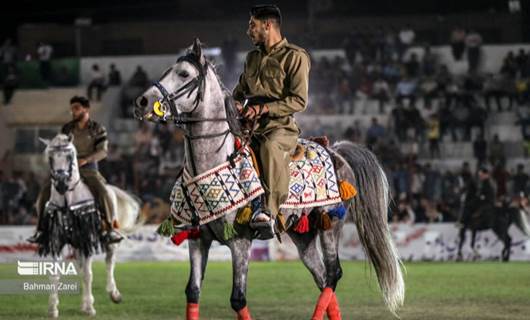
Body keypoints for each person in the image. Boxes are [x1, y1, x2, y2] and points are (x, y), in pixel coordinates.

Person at [233, 5, 310, 239]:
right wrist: (235, 104)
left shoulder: (295, 56)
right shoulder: (251, 58)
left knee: (269, 147)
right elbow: (239, 92)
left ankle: (270, 211)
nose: (248, 31)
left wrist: (264, 108)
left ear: (268, 25)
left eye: (252, 25)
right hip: (250, 126)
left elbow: (299, 100)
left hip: (281, 127)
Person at [28, 96, 122, 244]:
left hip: (89, 169)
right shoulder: (66, 128)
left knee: (103, 191)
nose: (73, 111)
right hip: (66, 170)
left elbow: (103, 151)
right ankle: (40, 230)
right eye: (72, 108)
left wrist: (86, 159)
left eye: (76, 108)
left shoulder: (98, 128)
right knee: (45, 192)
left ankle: (109, 229)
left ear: (86, 109)